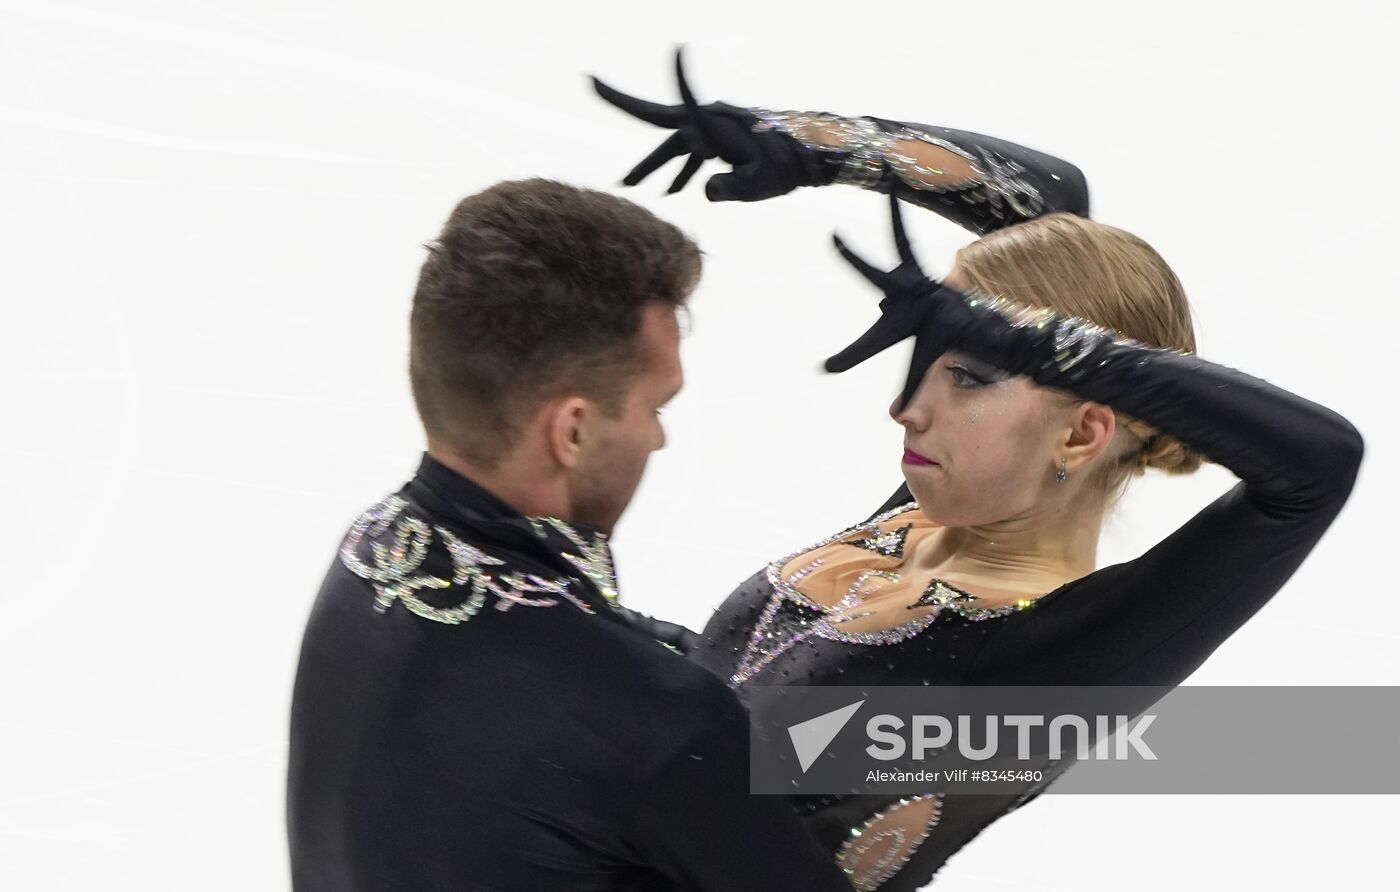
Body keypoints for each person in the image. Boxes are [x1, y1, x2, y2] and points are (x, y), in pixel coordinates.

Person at [592, 55, 1366, 889]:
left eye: (965, 374)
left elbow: (1316, 466)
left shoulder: (1049, 668)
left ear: (1081, 436)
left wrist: (1030, 341)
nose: (908, 408)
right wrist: (815, 145)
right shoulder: (935, 519)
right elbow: (1049, 200)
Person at [286, 178, 855, 891]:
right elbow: (649, 717)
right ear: (573, 429)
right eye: (655, 406)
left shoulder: (375, 549)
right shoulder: (655, 718)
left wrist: (1002, 742)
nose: (659, 439)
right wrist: (1012, 740)